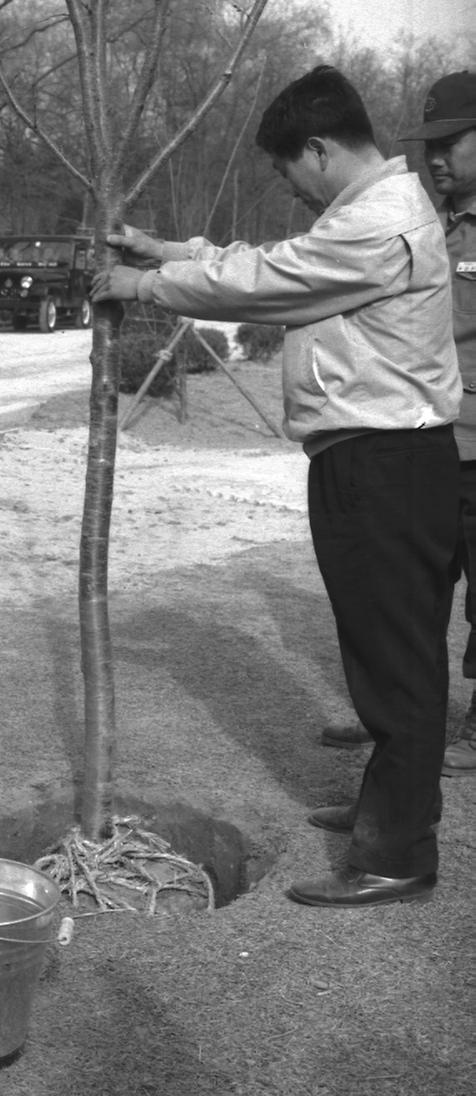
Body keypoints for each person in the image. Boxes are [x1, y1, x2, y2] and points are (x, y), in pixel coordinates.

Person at [92, 65, 461, 908]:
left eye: (286, 169)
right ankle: (388, 812)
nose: (288, 187)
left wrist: (146, 283)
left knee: (397, 665)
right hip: (371, 460)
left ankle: (398, 857)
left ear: (320, 150)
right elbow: (276, 261)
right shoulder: (363, 215)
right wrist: (174, 250)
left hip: (388, 465)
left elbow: (270, 284)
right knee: (381, 653)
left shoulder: (382, 221)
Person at [320, 71, 476, 766]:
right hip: (433, 440)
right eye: (428, 142)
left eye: (451, 142)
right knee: (412, 607)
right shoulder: (425, 220)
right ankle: (402, 722)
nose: (436, 156)